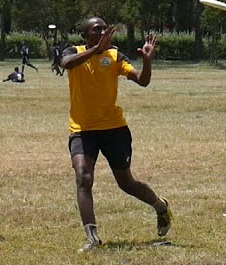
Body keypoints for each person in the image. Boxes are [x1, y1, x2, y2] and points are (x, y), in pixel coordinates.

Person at [61, 18, 169, 252]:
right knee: (83, 177)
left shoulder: (115, 56)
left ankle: (160, 207)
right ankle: (92, 238)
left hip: (114, 129)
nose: (101, 31)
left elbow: (143, 81)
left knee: (126, 183)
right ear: (86, 35)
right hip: (82, 130)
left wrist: (147, 62)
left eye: (103, 28)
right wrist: (95, 50)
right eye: (95, 29)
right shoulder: (74, 52)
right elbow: (66, 64)